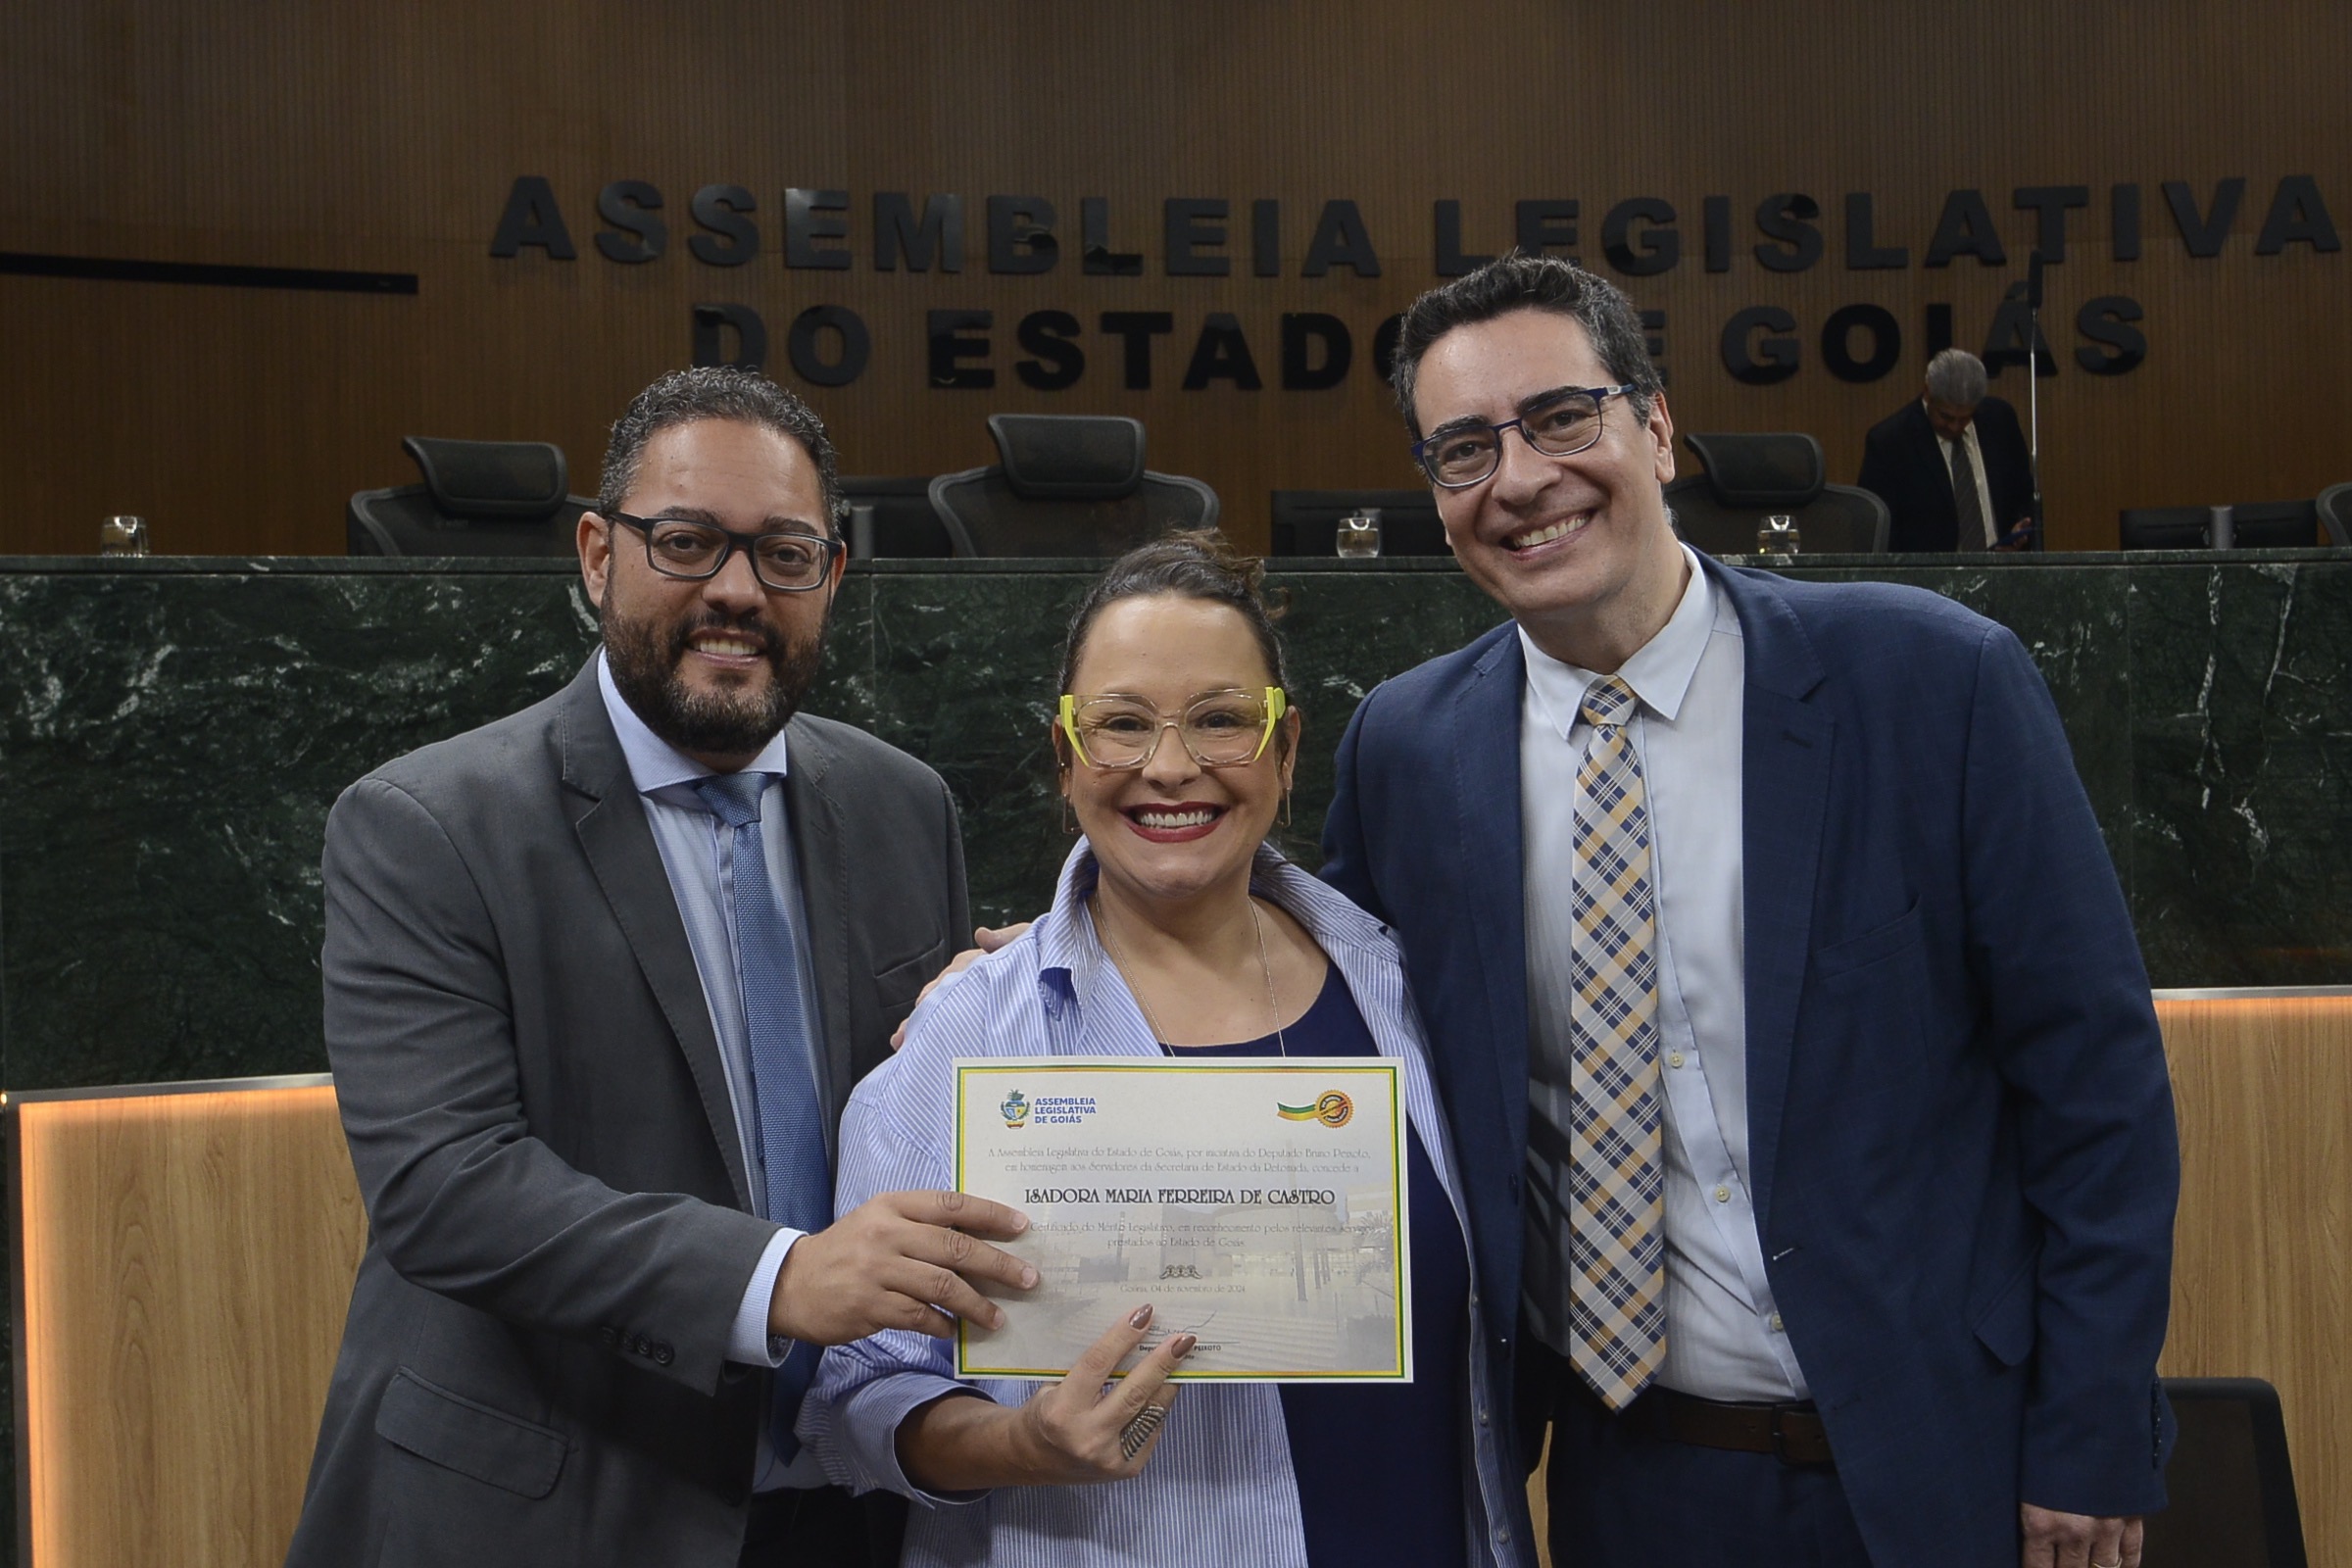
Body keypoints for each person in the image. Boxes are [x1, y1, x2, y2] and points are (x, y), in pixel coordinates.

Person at [1320, 256, 2179, 1568]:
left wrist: (2094, 1431)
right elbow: (1326, 1022)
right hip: (1633, 1483)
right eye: (1464, 449)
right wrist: (1065, 959)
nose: (1521, 479)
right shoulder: (1406, 749)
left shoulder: (1931, 682)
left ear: (1658, 429)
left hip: (1955, 1461)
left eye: (1562, 418)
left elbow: (2097, 1088)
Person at [287, 368, 1039, 1568]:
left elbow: (919, 1120)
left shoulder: (905, 806)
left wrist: (1026, 1002)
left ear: (832, 575)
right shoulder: (427, 826)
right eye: (687, 542)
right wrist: (778, 1278)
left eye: (784, 554)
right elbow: (445, 1187)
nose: (737, 590)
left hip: (852, 1504)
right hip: (556, 1511)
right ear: (598, 555)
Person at [803, 534, 1531, 1568]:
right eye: (1123, 724)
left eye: (1222, 719)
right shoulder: (964, 1040)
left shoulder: (1409, 992)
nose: (1172, 766)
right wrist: (1023, 1442)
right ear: (1066, 759)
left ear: (1285, 750)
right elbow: (859, 1396)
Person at [1857, 346, 2037, 552]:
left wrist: (2019, 532)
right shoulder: (1890, 443)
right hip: (1927, 570)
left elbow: (2023, 494)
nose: (1954, 427)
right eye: (1946, 416)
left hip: (2002, 565)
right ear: (1927, 392)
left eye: (1965, 418)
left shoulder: (2000, 419)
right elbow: (1877, 532)